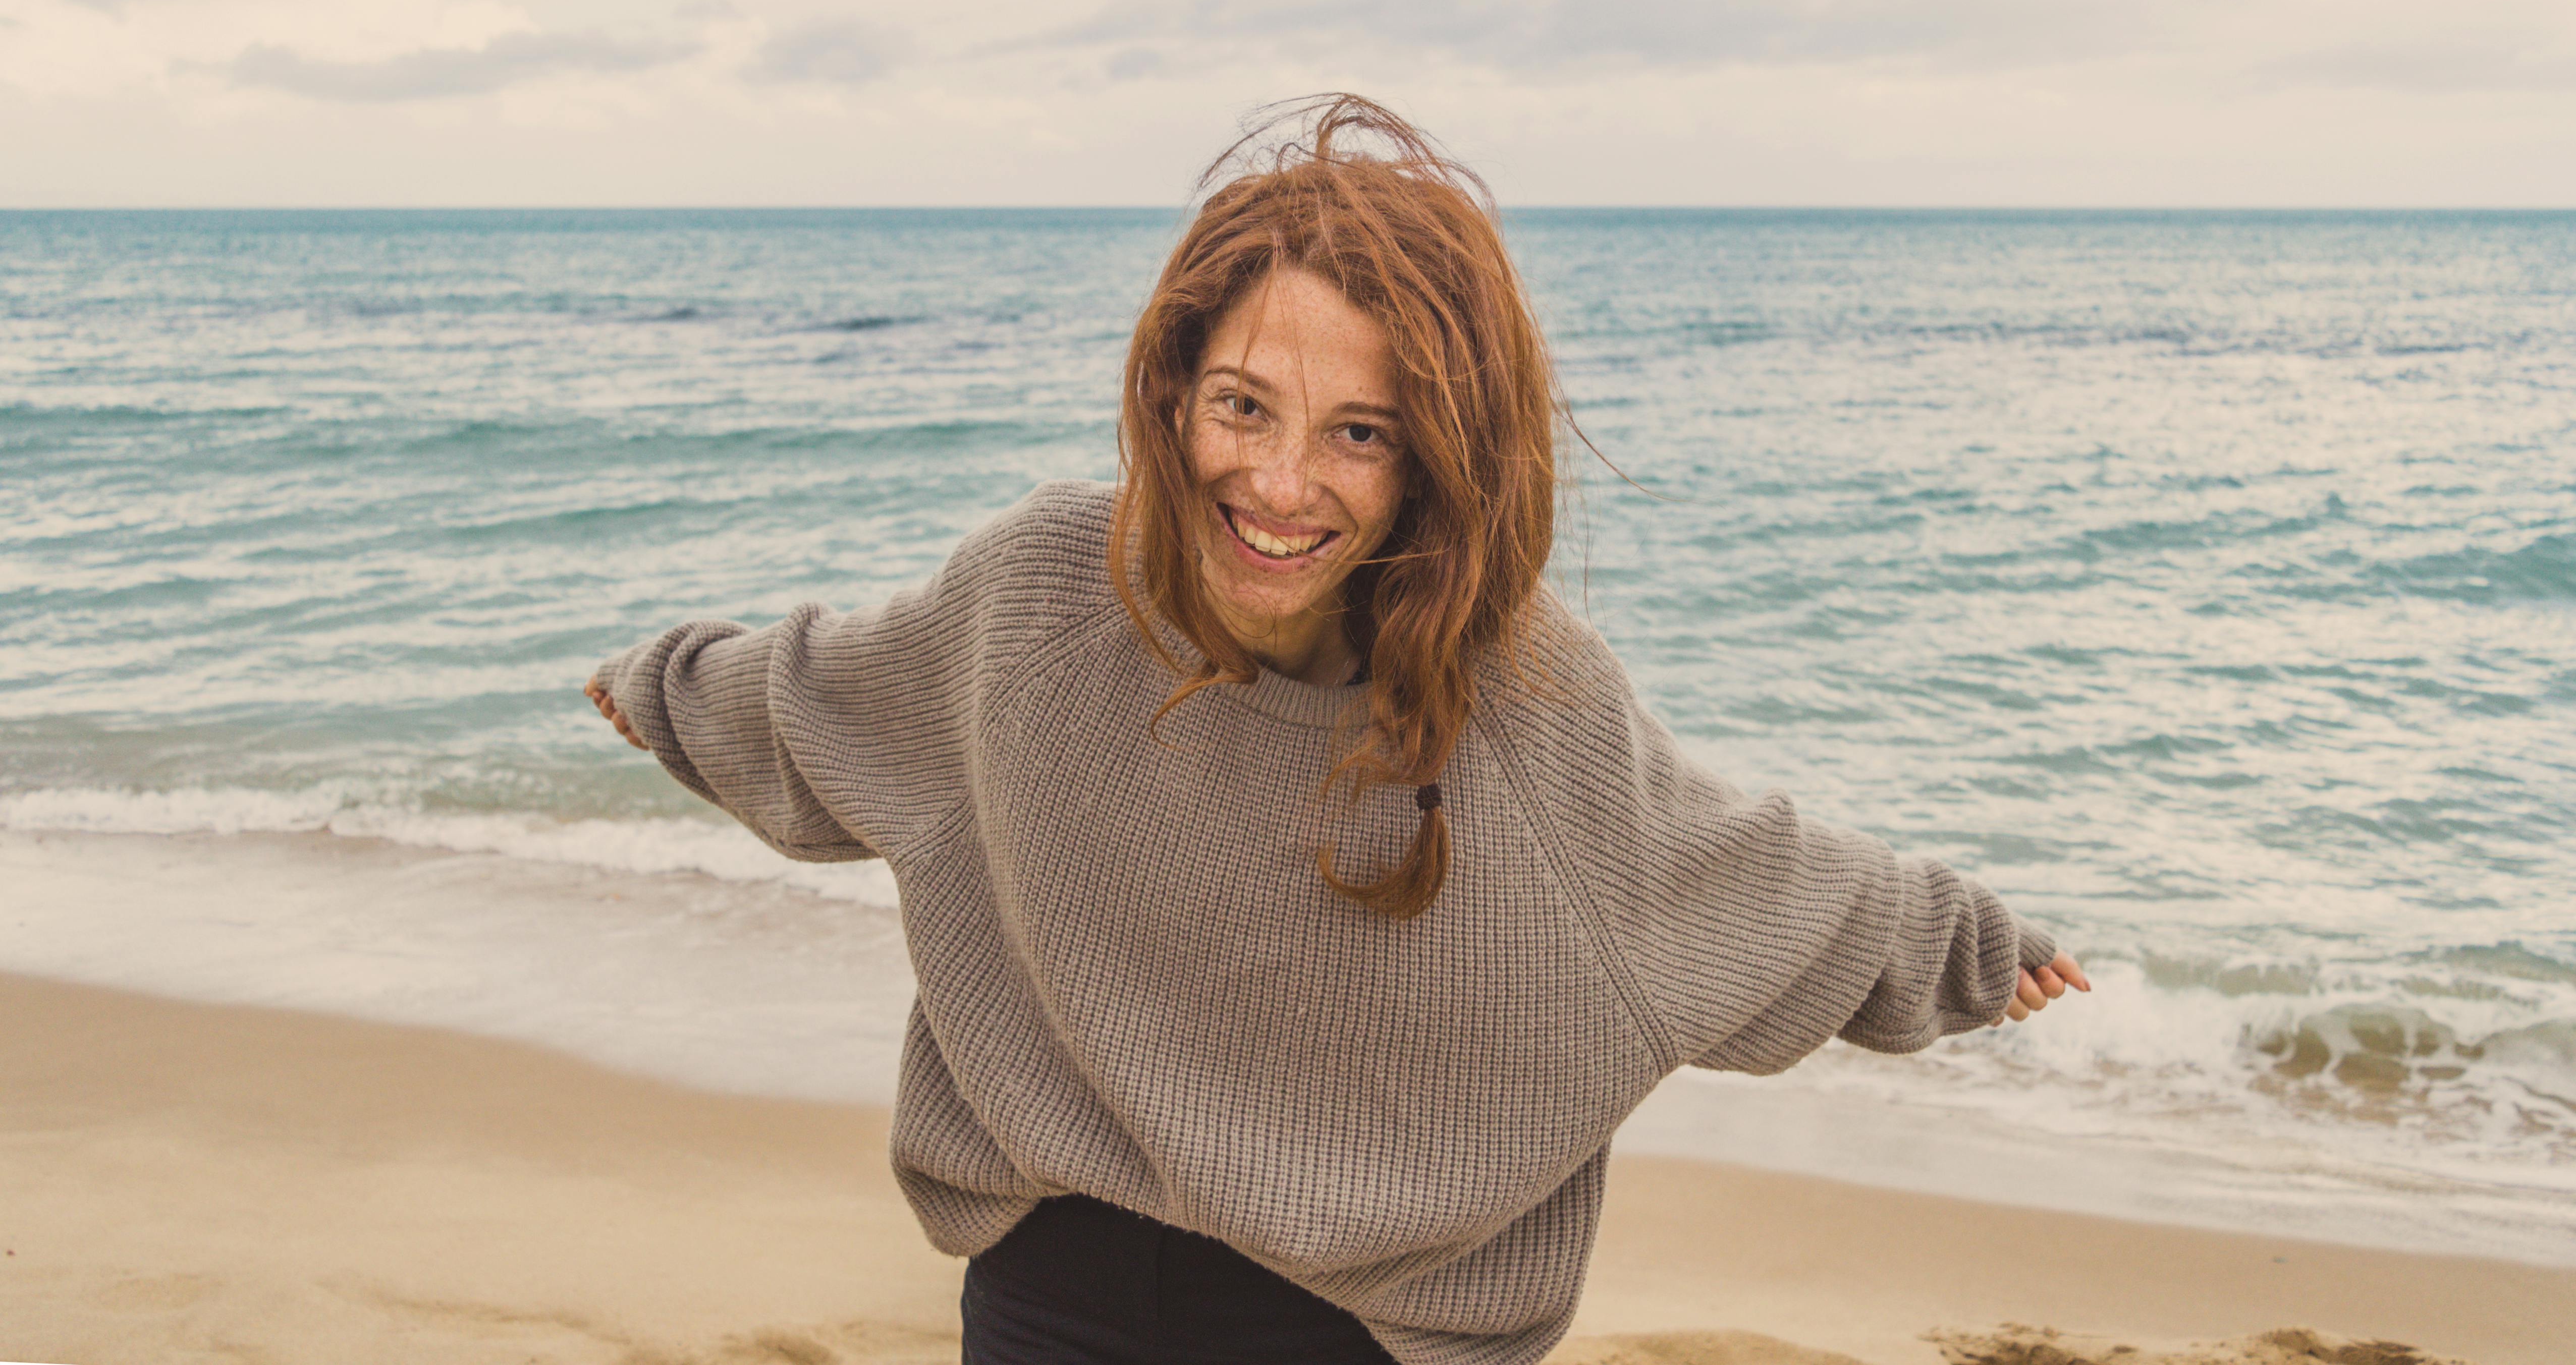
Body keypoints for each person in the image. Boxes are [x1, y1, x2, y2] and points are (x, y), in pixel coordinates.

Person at [583, 94, 2089, 1365]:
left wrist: (1957, 942)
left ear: (1435, 458)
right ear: (1172, 396)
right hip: (1053, 1292)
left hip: (1358, 1336)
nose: (1283, 484)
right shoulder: (1047, 593)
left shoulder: (1518, 696)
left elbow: (1725, 876)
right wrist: (664, 684)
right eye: (1244, 408)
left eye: (1357, 433)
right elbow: (835, 700)